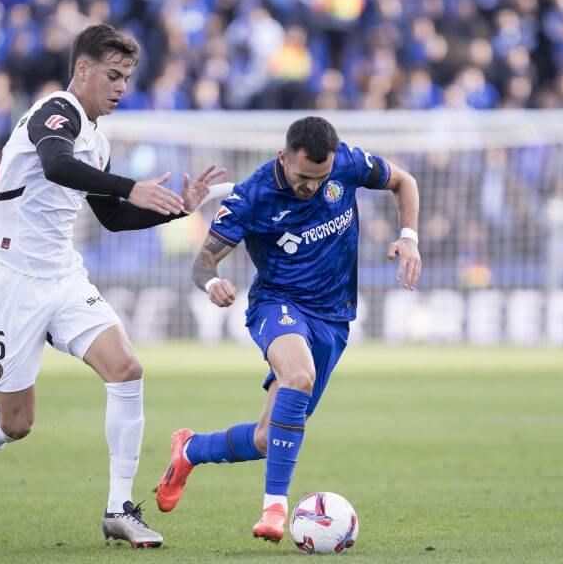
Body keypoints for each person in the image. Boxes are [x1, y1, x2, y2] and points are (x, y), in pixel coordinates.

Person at [0, 24, 228, 548]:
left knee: (127, 368)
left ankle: (119, 508)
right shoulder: (56, 112)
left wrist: (177, 210)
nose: (122, 88)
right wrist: (133, 187)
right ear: (83, 69)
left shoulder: (97, 141)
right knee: (17, 422)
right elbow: (55, 165)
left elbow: (114, 218)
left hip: (62, 275)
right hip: (11, 280)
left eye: (128, 78)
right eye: (113, 75)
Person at [155, 116, 421, 543]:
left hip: (334, 318)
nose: (312, 187)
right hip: (277, 305)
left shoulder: (347, 163)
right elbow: (202, 261)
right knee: (297, 375)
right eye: (302, 177)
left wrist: (409, 236)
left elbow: (403, 181)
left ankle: (189, 450)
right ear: (284, 157)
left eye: (320, 178)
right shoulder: (252, 196)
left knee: (266, 438)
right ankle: (274, 509)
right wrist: (212, 282)